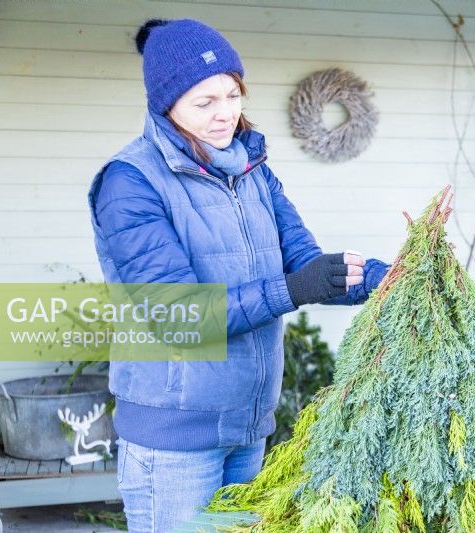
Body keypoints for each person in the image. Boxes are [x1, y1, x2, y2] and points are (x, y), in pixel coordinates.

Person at [86, 18, 389, 532]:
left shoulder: (252, 168)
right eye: (205, 103)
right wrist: (294, 290)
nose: (225, 113)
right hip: (174, 440)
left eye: (232, 95)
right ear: (167, 104)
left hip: (248, 428)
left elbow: (305, 264)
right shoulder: (130, 182)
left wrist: (393, 276)